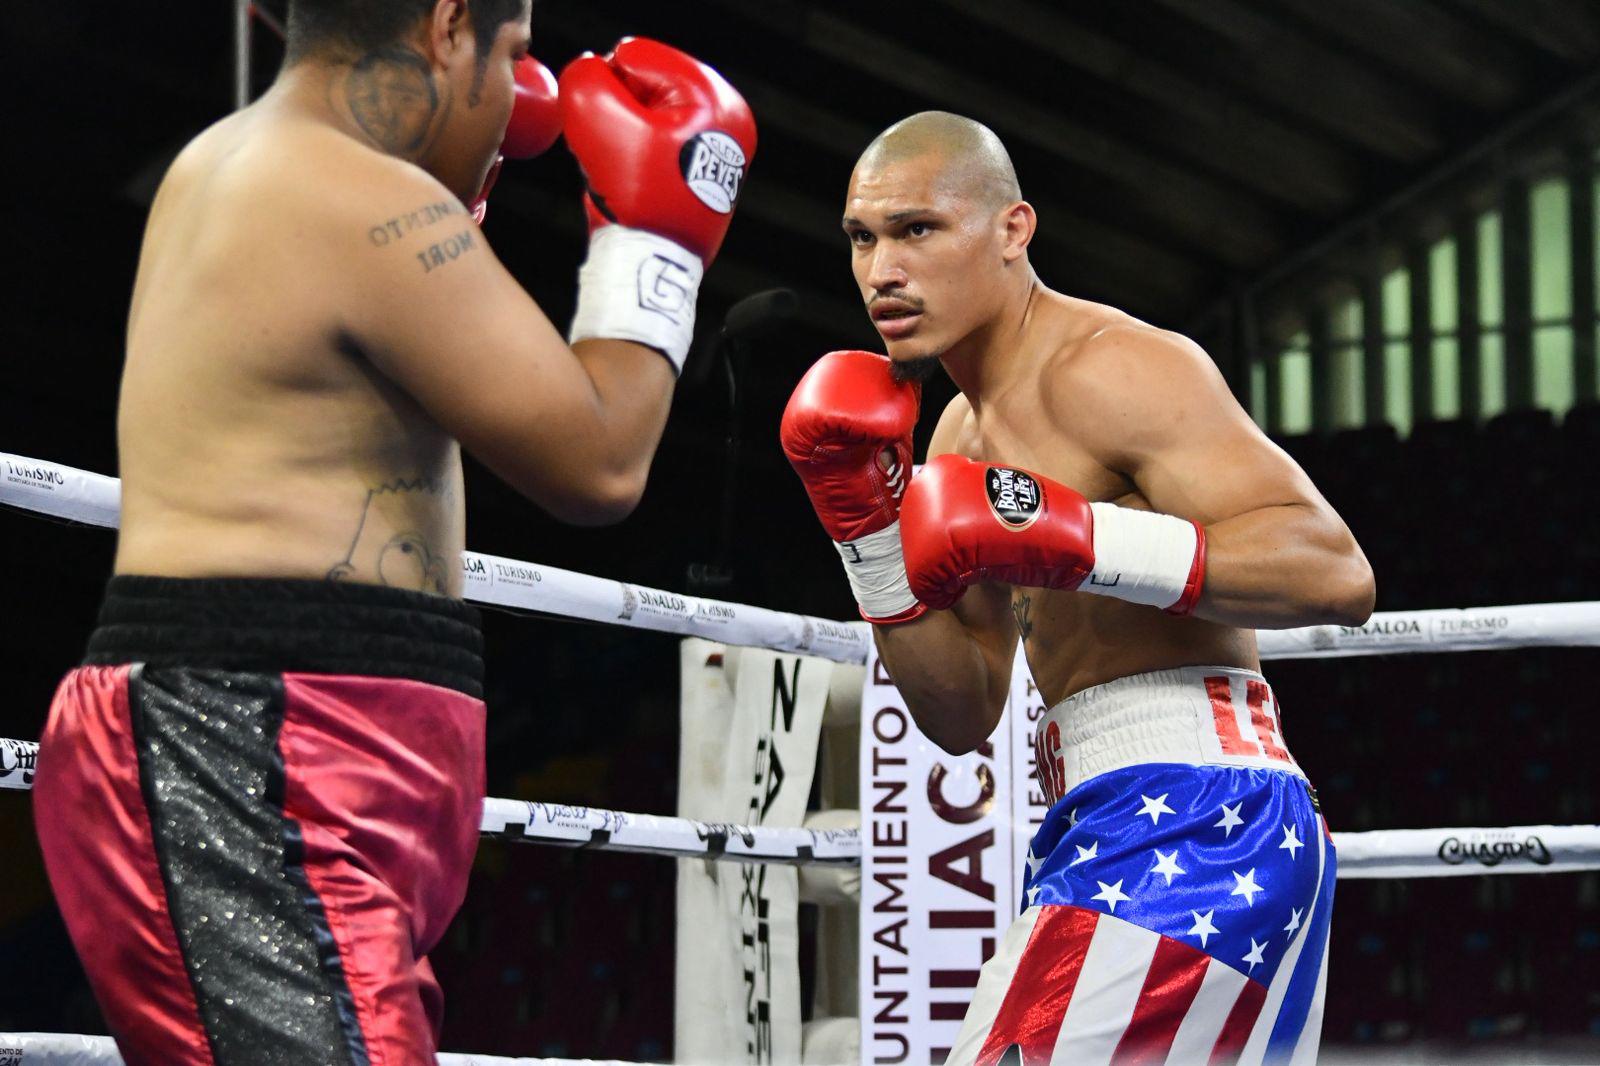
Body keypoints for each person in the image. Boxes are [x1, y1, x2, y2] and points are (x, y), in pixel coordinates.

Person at [30, 1, 754, 1061]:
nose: (524, 96)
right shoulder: (352, 193)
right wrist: (658, 244)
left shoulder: (254, 168)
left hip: (287, 749)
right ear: (449, 25)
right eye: (515, 54)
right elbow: (599, 460)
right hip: (248, 752)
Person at [782, 112, 1373, 1065]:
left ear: (1013, 230)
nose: (882, 269)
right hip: (1097, 817)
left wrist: (1086, 539)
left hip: (1199, 816)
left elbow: (1336, 572)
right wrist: (869, 540)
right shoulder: (956, 440)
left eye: (917, 229)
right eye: (863, 238)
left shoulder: (1115, 366)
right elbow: (963, 709)